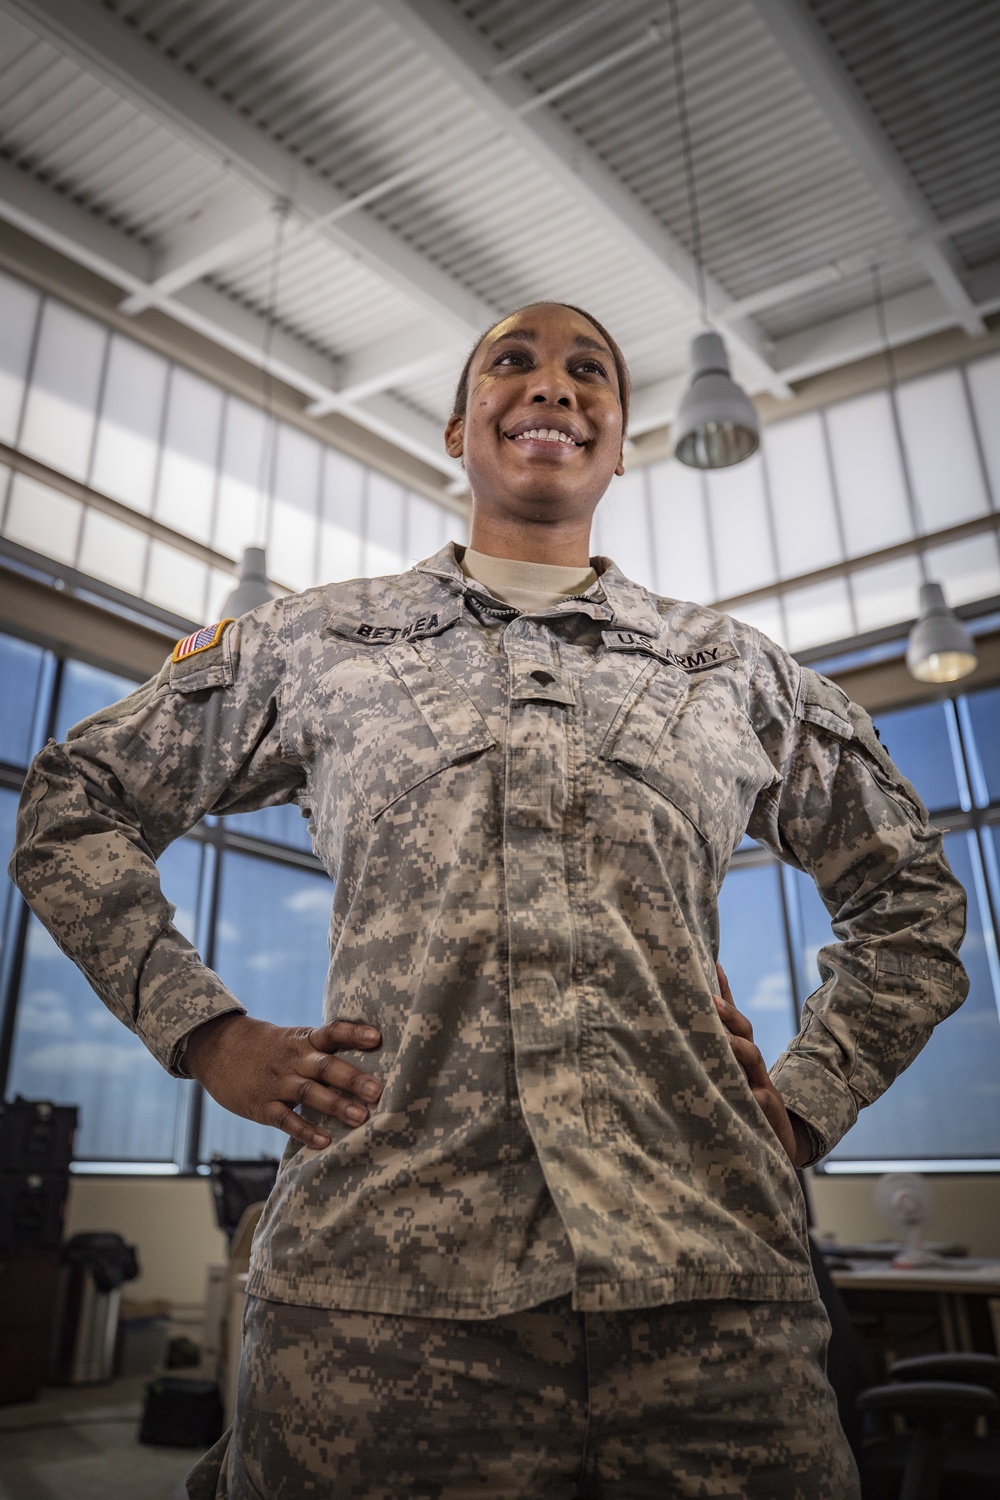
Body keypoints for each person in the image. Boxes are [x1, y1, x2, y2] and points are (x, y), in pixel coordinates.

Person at [11, 302, 967, 1499]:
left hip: (711, 1308)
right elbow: (72, 801)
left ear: (620, 444)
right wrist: (206, 1031)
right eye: (513, 363)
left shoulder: (736, 674)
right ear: (461, 428)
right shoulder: (315, 643)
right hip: (379, 1311)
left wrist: (807, 1103)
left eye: (590, 373)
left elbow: (915, 906)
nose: (553, 386)